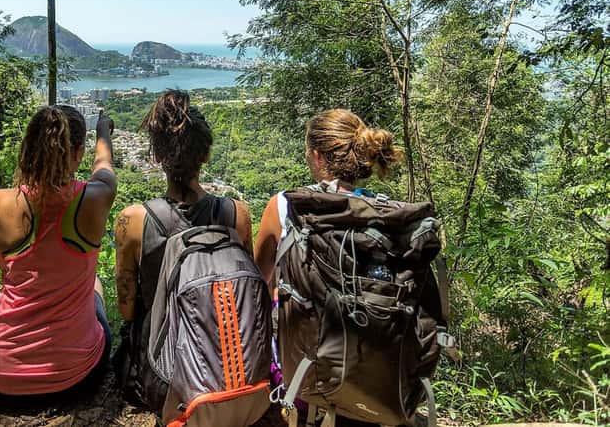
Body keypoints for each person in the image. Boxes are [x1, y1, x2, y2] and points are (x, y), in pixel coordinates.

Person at [253, 108, 403, 427]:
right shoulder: (385, 212)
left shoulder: (285, 206)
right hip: (374, 380)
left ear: (318, 157)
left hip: (303, 380)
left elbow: (258, 284)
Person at [0, 105, 117, 410]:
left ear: (28, 148)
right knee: (95, 287)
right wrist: (103, 130)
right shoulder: (95, 198)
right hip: (72, 379)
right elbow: (104, 164)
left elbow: (3, 265)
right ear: (78, 153)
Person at [113, 90, 253, 387]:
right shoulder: (236, 215)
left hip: (164, 373)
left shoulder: (134, 220)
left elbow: (126, 309)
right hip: (229, 362)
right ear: (205, 154)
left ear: (158, 156)